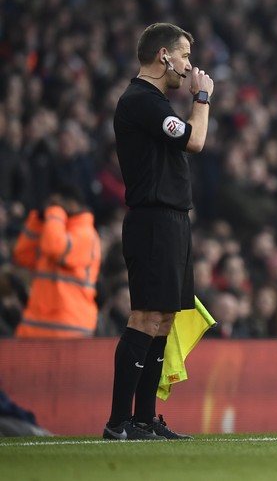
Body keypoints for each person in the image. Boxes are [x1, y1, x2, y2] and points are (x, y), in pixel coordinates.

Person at [103, 22, 214, 441]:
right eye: (184, 55)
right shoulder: (141, 101)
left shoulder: (156, 104)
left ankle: (145, 419)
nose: (188, 66)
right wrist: (202, 98)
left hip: (171, 220)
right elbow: (195, 140)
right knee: (145, 316)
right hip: (151, 220)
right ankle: (118, 422)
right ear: (163, 55)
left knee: (163, 319)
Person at [13, 183, 101, 338]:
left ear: (73, 204)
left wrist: (54, 212)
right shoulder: (52, 229)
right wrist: (37, 221)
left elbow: (55, 249)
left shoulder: (86, 234)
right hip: (36, 327)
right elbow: (22, 256)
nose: (52, 208)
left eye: (57, 204)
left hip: (70, 329)